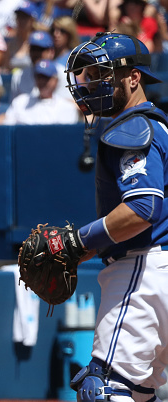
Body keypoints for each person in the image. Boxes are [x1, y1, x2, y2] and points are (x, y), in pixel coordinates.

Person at [58, 32, 168, 400]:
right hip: (156, 269)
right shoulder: (159, 125)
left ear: (133, 78)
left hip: (143, 271)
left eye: (101, 73)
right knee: (137, 391)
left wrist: (78, 242)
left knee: (106, 388)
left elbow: (143, 208)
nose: (90, 83)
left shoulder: (133, 126)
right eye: (87, 75)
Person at [4, 58, 80, 124]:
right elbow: (8, 128)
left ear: (55, 81)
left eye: (46, 78)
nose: (42, 82)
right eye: (39, 78)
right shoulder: (20, 102)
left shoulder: (66, 107)